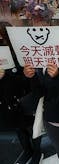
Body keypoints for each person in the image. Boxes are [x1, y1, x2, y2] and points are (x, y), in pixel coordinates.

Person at [0, 22, 42, 164]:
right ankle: (27, 150)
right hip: (8, 98)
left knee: (33, 127)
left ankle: (37, 152)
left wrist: (23, 74)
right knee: (18, 127)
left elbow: (31, 78)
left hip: (25, 96)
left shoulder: (23, 51)